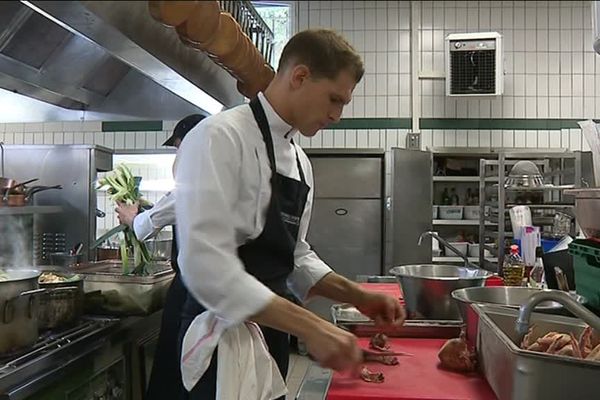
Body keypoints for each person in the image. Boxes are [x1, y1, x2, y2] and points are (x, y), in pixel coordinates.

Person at [175, 29, 406, 399]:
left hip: (272, 333)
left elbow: (296, 256)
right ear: (299, 76)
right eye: (334, 99)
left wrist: (358, 295)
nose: (337, 115)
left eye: (343, 104)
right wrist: (311, 327)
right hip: (220, 342)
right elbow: (205, 266)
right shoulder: (219, 137)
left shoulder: (299, 160)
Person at [115, 114, 205, 400]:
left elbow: (182, 201)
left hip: (194, 290)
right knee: (179, 366)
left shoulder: (200, 173)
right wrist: (149, 213)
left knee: (174, 367)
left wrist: (136, 219)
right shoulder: (210, 170)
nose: (178, 154)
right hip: (200, 288)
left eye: (178, 146)